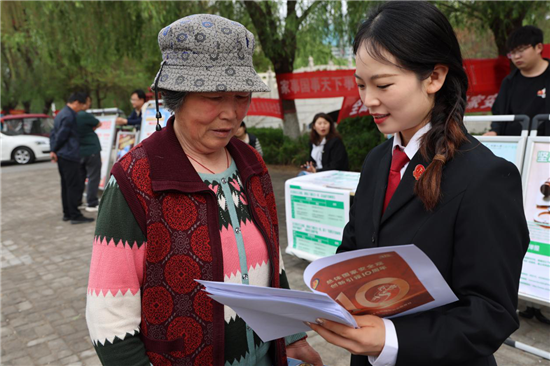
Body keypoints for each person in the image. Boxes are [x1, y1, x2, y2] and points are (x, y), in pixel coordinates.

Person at [85, 14, 322, 366]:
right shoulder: (136, 178)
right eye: (214, 96)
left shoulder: (251, 164)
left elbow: (273, 268)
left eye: (241, 96)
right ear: (174, 97)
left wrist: (292, 337)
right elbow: (109, 315)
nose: (231, 114)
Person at [307, 2, 529, 366]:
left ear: (434, 78)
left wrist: (390, 339)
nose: (368, 101)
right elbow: (356, 246)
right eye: (361, 85)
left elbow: (492, 312)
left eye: (383, 84)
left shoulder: (486, 177)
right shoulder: (378, 160)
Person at [484, 25, 550, 137]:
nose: (516, 56)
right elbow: (499, 115)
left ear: (539, 47)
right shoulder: (509, 82)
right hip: (515, 146)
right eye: (512, 53)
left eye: (521, 50)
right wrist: (494, 131)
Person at [50, 92, 95, 225]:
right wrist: (54, 149)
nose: (81, 108)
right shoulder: (69, 115)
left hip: (63, 155)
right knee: (73, 185)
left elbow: (53, 134)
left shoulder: (60, 114)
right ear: (75, 102)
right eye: (80, 105)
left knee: (65, 185)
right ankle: (75, 215)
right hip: (69, 155)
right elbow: (62, 135)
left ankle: (67, 213)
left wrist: (54, 150)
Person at [76, 96, 102, 212]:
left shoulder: (72, 116)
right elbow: (99, 123)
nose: (89, 104)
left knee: (80, 177)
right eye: (88, 102)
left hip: (79, 151)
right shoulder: (83, 115)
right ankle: (91, 203)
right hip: (91, 151)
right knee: (93, 177)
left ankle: (78, 201)